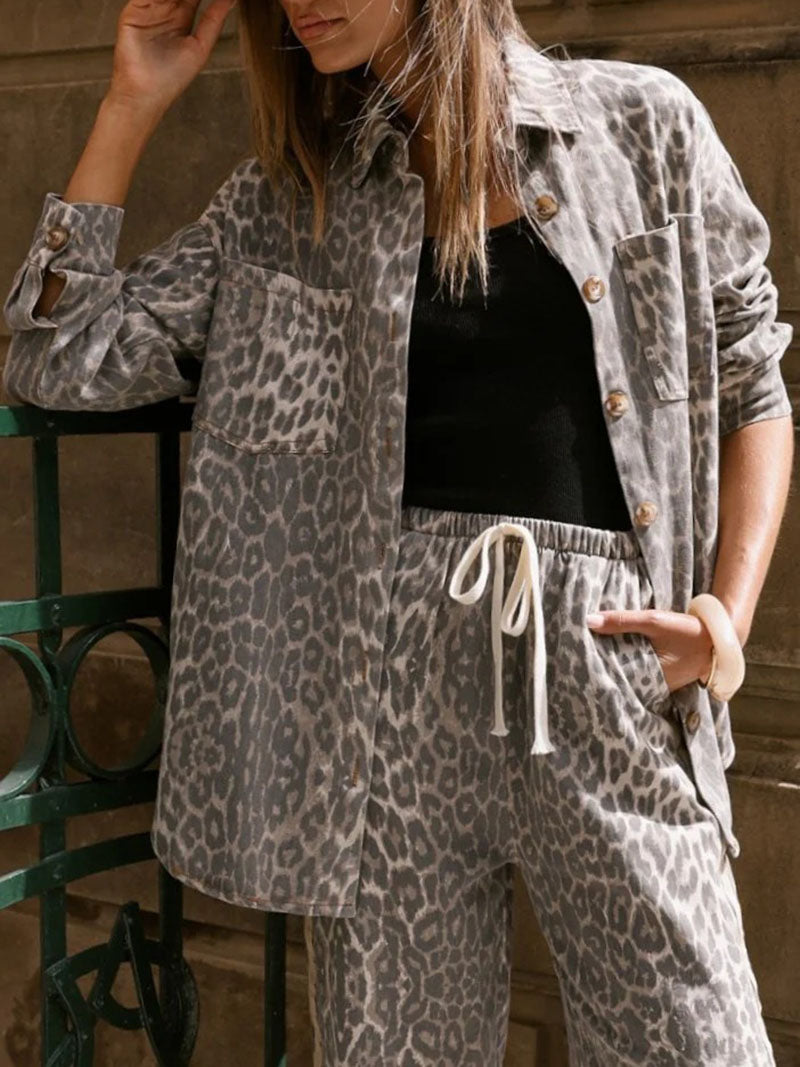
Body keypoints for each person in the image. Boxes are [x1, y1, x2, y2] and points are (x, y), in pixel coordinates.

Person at [2, 0, 794, 1063]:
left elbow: (751, 379)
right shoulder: (291, 205)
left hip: (606, 674)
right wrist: (130, 101)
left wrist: (724, 624)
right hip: (378, 714)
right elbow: (60, 354)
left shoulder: (641, 126)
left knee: (698, 1042)